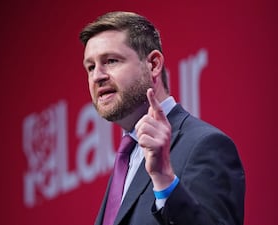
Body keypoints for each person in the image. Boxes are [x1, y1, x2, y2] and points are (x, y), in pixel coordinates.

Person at [79, 11, 245, 225]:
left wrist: (164, 179)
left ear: (154, 64)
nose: (97, 76)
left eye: (111, 61)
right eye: (90, 67)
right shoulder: (127, 159)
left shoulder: (204, 145)